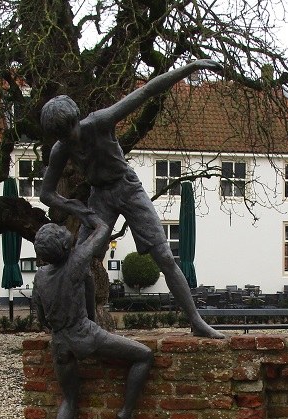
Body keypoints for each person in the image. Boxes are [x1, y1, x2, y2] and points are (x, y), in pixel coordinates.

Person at [39, 59, 225, 339]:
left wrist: (192, 66)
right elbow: (47, 194)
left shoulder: (100, 122)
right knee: (78, 259)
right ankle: (86, 324)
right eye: (62, 137)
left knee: (163, 255)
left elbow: (148, 90)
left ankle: (196, 321)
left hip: (127, 188)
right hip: (99, 197)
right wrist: (78, 210)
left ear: (77, 121)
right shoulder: (60, 149)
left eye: (70, 133)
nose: (69, 141)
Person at [33, 217, 154, 419]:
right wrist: (86, 212)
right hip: (87, 336)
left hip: (61, 344)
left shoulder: (40, 277)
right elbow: (102, 232)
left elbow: (41, 319)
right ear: (64, 245)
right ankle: (125, 412)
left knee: (69, 399)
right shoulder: (76, 263)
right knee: (144, 354)